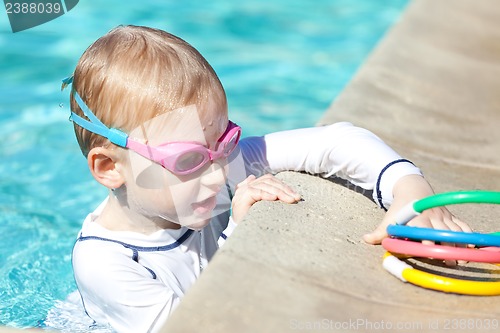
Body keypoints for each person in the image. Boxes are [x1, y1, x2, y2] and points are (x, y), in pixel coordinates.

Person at [63, 25, 471, 333]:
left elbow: (336, 142)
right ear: (109, 168)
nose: (218, 173)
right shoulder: (105, 263)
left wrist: (409, 191)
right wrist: (237, 232)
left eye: (224, 142)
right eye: (187, 159)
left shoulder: (213, 169)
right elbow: (198, 323)